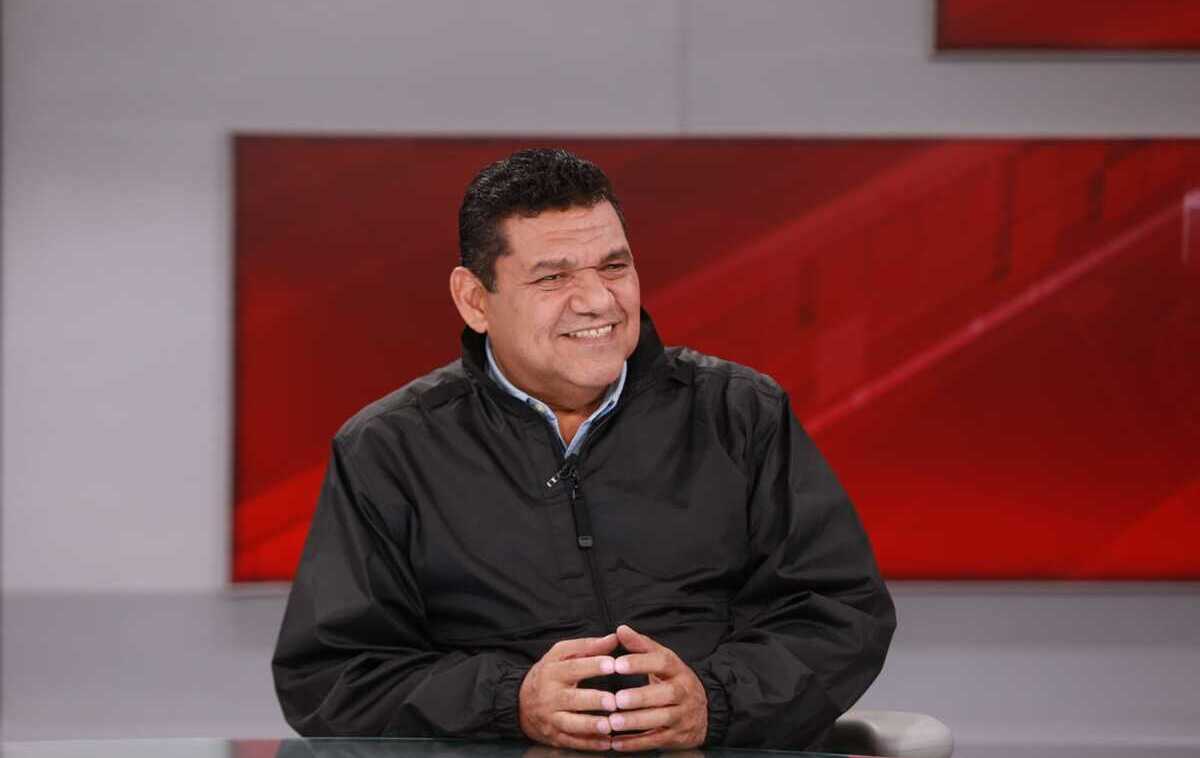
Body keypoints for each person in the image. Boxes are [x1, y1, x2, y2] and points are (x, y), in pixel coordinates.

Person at [272, 148, 896, 751]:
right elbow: (332, 676)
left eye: (614, 267)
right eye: (554, 276)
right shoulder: (388, 449)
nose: (598, 300)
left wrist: (714, 700)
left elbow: (840, 612)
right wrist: (509, 703)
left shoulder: (741, 413)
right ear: (475, 299)